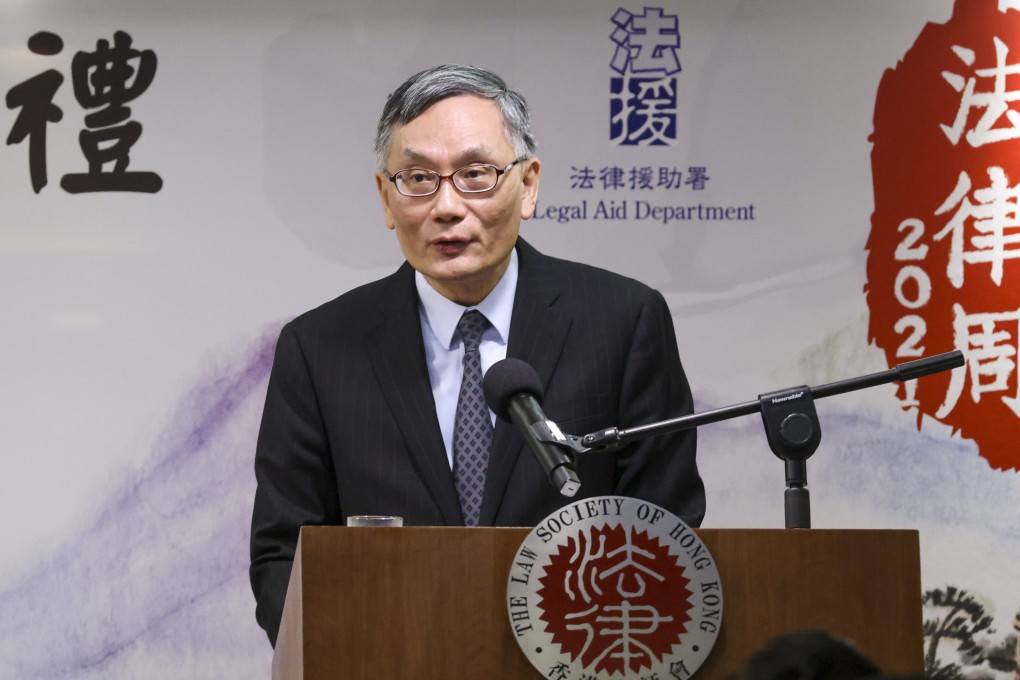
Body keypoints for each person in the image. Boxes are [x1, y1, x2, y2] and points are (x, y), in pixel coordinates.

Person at [249, 64, 705, 646]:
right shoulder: (319, 348)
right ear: (386, 199)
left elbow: (667, 529)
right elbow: (282, 554)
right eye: (417, 178)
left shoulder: (622, 321)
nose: (445, 206)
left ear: (529, 184)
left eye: (475, 175)